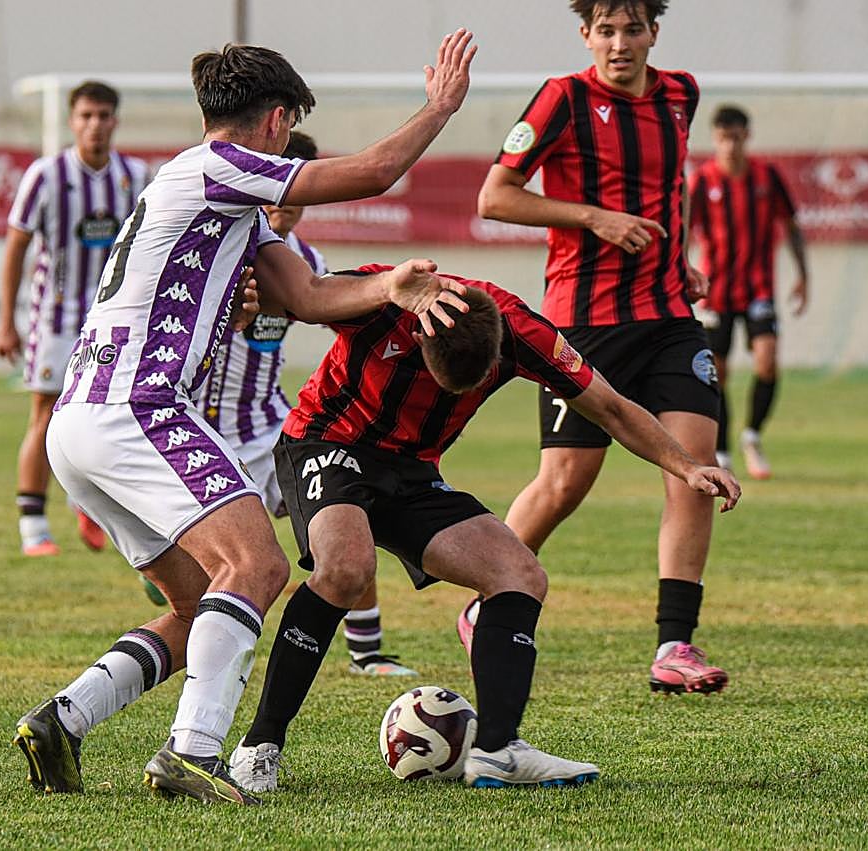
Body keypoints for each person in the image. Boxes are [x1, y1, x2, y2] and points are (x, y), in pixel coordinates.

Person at [12, 32, 478, 806]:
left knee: (198, 604)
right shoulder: (219, 167)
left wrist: (390, 285)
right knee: (259, 567)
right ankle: (192, 751)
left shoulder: (220, 201)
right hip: (138, 406)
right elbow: (375, 171)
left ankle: (64, 718)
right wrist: (439, 109)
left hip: (85, 419)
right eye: (289, 122)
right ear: (275, 120)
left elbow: (309, 297)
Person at [227, 265, 740, 792]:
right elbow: (296, 292)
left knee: (520, 574)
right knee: (346, 567)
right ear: (421, 335)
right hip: (327, 442)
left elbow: (609, 407)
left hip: (412, 469)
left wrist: (686, 465)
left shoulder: (525, 332)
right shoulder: (385, 296)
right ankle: (261, 744)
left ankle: (498, 750)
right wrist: (246, 303)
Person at [472, 0, 732, 696]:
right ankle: (484, 598)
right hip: (585, 322)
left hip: (671, 315)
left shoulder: (682, 93)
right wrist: (594, 218)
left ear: (654, 32)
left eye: (633, 29)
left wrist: (679, 260)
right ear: (586, 35)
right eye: (606, 31)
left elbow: (668, 189)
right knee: (564, 484)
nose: (620, 44)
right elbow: (494, 197)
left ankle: (673, 642)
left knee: (692, 468)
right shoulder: (563, 99)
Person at [188, 129, 418, 678]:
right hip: (201, 428)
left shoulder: (304, 261)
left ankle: (368, 652)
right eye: (277, 197)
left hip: (270, 424)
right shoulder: (216, 245)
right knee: (219, 567)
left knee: (346, 515)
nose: (284, 210)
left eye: (294, 200)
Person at [0, 81, 150, 556]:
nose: (95, 125)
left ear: (116, 121)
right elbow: (17, 245)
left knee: (114, 417)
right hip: (56, 321)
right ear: (71, 121)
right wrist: (7, 319)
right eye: (86, 116)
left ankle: (89, 502)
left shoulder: (136, 177)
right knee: (43, 415)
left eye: (104, 116)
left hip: (113, 324)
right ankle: (33, 528)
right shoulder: (46, 175)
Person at [689, 104, 808, 479]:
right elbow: (683, 234)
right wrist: (682, 274)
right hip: (716, 292)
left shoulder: (767, 176)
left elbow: (791, 225)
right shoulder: (704, 181)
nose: (730, 146)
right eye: (724, 139)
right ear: (715, 139)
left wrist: (804, 275)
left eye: (736, 138)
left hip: (758, 289)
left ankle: (752, 435)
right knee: (718, 372)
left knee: (767, 361)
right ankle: (722, 450)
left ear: (747, 136)